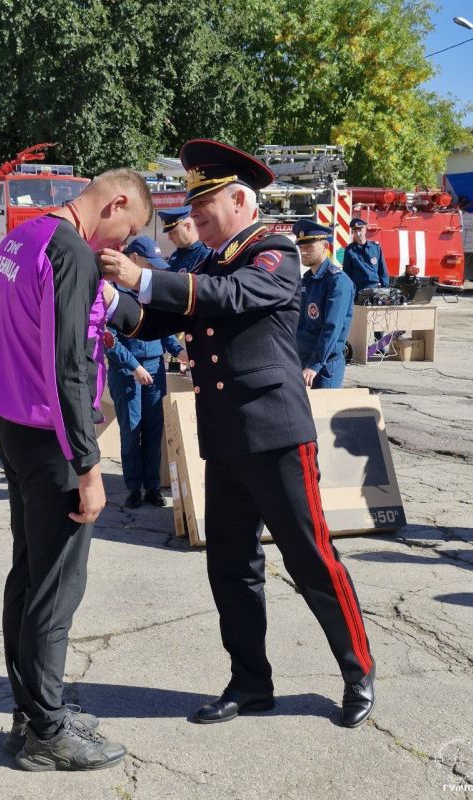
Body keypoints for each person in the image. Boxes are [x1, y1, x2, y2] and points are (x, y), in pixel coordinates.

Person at [101, 140, 375, 729]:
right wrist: (113, 299)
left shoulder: (272, 250)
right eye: (191, 208)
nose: (193, 218)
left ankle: (357, 670)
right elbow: (164, 317)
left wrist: (144, 278)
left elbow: (230, 298)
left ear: (240, 200)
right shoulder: (207, 262)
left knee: (311, 560)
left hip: (276, 435)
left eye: (204, 207)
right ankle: (251, 681)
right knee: (231, 566)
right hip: (224, 438)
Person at [0, 168, 152, 771]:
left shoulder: (18, 240)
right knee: (55, 590)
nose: (116, 249)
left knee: (28, 578)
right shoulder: (70, 251)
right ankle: (47, 732)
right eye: (122, 233)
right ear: (115, 203)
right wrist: (89, 465)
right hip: (51, 442)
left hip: (12, 428)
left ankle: (30, 711)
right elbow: (68, 368)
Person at [106, 235, 188, 509]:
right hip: (127, 370)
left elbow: (162, 330)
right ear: (132, 259)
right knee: (131, 430)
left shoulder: (149, 292)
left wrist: (178, 351)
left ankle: (152, 486)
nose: (151, 269)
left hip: (155, 368)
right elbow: (109, 340)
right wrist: (134, 367)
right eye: (147, 263)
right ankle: (133, 488)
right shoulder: (113, 294)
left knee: (154, 430)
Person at [293, 219, 355, 389]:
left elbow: (332, 327)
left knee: (322, 415)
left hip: (324, 365)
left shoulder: (337, 281)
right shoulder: (308, 279)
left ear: (325, 247)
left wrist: (315, 365)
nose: (304, 252)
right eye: (301, 247)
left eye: (309, 247)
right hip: (303, 361)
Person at [157, 205, 211, 273]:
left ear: (188, 227)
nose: (169, 238)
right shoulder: (175, 255)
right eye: (168, 233)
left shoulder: (205, 255)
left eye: (173, 232)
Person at [343, 217, 389, 295]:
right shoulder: (349, 250)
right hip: (358, 291)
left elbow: (382, 269)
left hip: (375, 289)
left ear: (365, 230)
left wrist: (385, 289)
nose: (357, 234)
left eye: (360, 230)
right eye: (355, 231)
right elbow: (346, 273)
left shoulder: (376, 247)